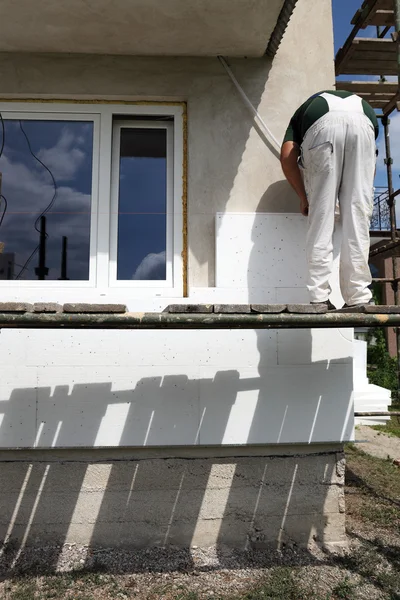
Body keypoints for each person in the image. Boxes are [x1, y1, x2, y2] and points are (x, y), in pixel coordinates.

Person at [280, 90, 379, 308]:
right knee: (358, 220)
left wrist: (304, 197)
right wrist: (357, 198)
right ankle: (359, 297)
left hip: (321, 125)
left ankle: (318, 297)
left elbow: (287, 154)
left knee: (321, 219)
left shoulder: (305, 109)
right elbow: (369, 165)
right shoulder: (363, 107)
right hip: (365, 121)